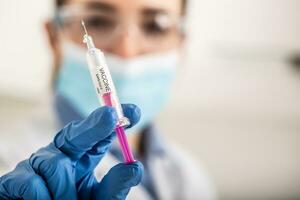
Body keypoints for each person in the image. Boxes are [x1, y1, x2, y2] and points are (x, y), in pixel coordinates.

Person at [0, 0, 216, 199]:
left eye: (155, 26)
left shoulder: (189, 175)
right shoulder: (13, 168)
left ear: (182, 45)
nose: (127, 51)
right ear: (53, 37)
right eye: (98, 21)